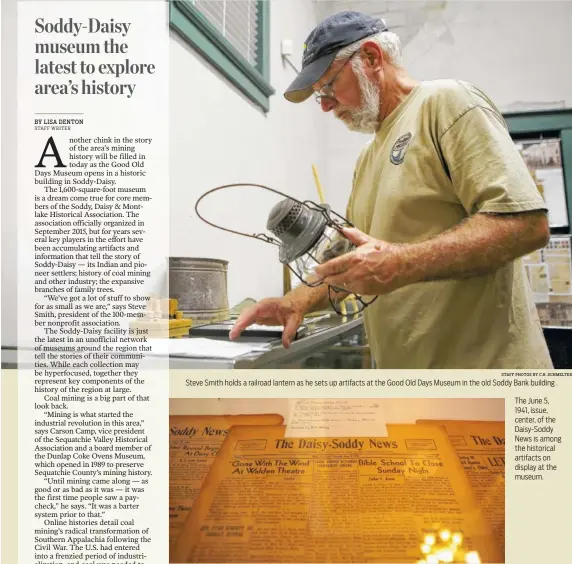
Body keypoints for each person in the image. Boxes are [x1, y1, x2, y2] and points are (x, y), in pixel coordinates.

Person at [230, 11, 553, 369]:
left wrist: (400, 263)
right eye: (317, 95)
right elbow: (351, 261)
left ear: (370, 58)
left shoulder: (447, 103)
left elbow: (525, 225)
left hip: (488, 386)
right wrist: (297, 300)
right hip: (413, 395)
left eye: (328, 86)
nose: (323, 105)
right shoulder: (368, 158)